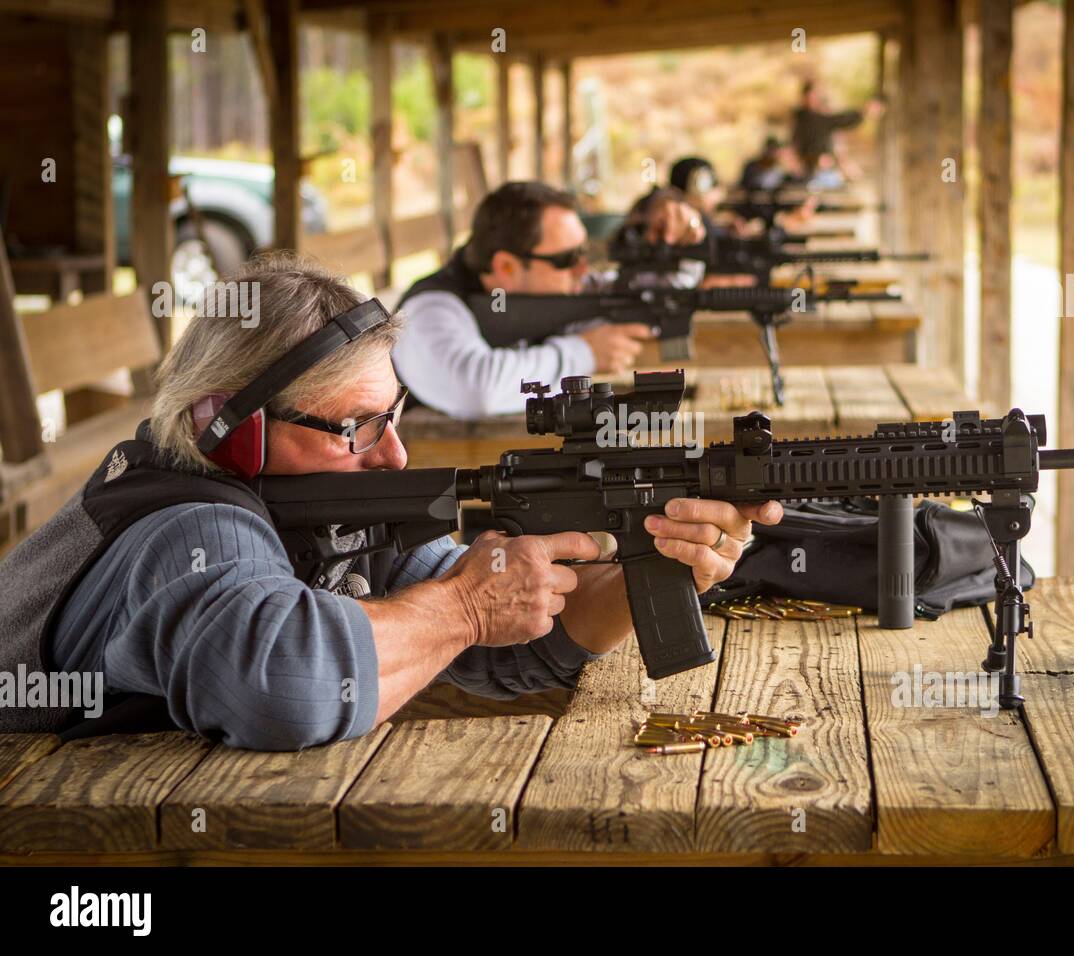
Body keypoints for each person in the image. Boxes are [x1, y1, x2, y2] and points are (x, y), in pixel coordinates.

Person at [0, 255, 782, 749]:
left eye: (394, 415)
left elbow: (501, 650)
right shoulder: (189, 529)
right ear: (231, 430)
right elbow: (285, 686)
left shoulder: (318, 500)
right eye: (356, 427)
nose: (394, 453)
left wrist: (663, 562)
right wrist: (466, 608)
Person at [392, 181, 706, 419]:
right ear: (507, 267)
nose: (584, 268)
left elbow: (665, 290)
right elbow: (476, 389)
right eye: (568, 258)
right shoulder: (428, 310)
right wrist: (585, 353)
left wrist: (681, 242)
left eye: (584, 252)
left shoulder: (563, 287)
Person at [791, 80, 864, 186]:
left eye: (815, 97)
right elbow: (797, 146)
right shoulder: (801, 119)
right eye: (811, 97)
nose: (813, 100)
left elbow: (843, 121)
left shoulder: (822, 117)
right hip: (810, 170)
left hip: (825, 169)